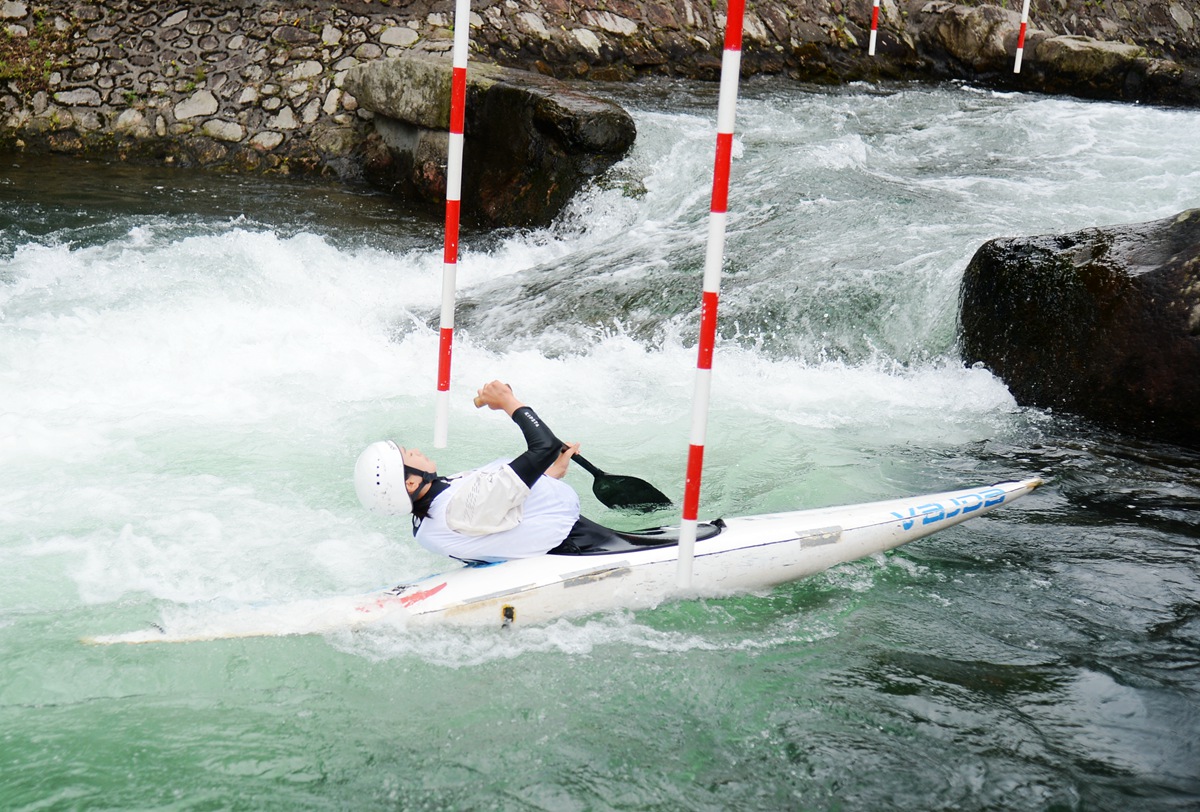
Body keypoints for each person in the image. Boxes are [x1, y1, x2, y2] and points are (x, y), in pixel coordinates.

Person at [354, 380, 582, 563]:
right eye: (408, 455)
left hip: (556, 535)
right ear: (411, 484)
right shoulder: (459, 509)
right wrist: (507, 401)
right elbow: (546, 446)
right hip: (574, 545)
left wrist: (549, 473)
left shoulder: (433, 514)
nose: (415, 451)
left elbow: (497, 506)